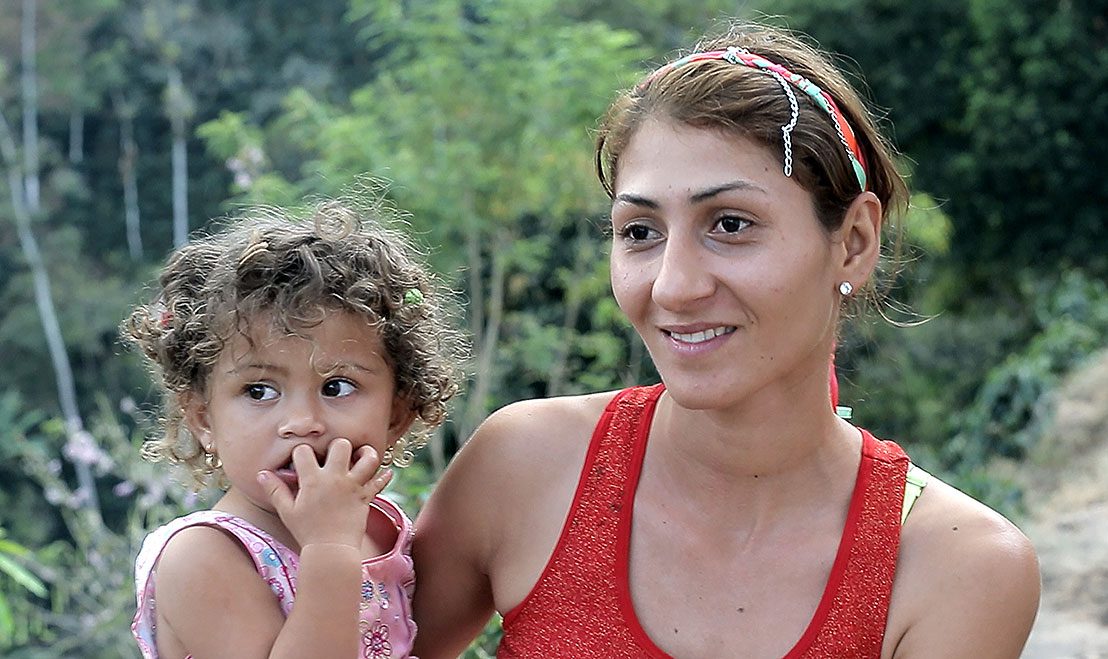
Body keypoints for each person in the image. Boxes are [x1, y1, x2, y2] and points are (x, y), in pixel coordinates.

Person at [411, 20, 1040, 659]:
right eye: (639, 232)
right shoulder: (524, 469)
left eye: (730, 224)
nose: (672, 287)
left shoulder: (954, 569)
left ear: (853, 243)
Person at [125, 199, 460, 658]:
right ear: (204, 419)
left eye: (338, 386)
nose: (302, 423)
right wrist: (329, 550)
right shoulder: (203, 555)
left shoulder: (384, 531)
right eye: (259, 391)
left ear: (397, 415)